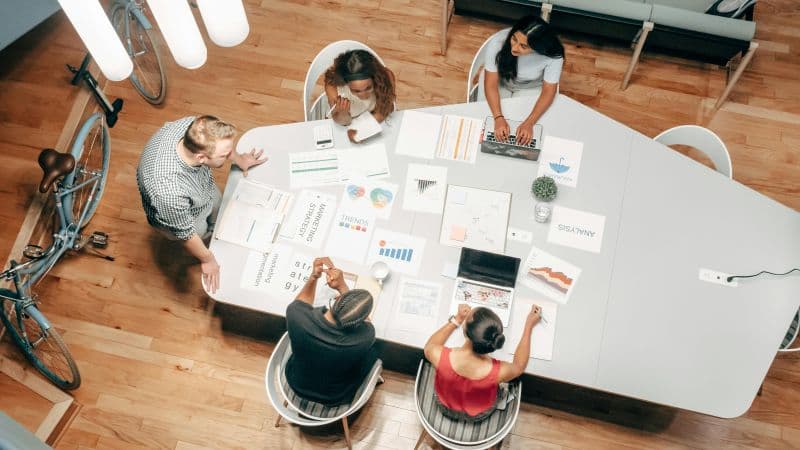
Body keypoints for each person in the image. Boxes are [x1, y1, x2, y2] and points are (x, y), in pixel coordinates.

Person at [136, 115, 266, 293]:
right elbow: (186, 234)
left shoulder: (196, 127)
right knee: (201, 233)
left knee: (218, 212)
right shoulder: (168, 192)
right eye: (224, 155)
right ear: (201, 158)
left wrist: (240, 160)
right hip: (181, 217)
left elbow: (224, 144)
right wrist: (207, 259)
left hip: (202, 187)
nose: (229, 155)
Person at [423, 303, 542, 420]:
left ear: (465, 331)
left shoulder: (440, 356)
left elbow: (430, 345)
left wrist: (457, 319)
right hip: (479, 413)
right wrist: (528, 326)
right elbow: (519, 366)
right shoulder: (499, 372)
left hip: (445, 406)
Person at [285, 257, 377, 405]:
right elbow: (367, 323)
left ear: (336, 299)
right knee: (373, 353)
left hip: (296, 383)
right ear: (359, 323)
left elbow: (301, 302)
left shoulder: (297, 316)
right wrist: (343, 287)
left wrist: (314, 276)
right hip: (333, 396)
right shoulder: (365, 337)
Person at [483, 15, 565, 146]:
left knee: (530, 130)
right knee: (486, 122)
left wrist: (529, 122)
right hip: (500, 82)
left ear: (538, 48)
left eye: (523, 46)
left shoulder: (553, 55)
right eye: (514, 39)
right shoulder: (498, 42)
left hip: (530, 87)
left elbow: (549, 91)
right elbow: (490, 84)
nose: (514, 48)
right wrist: (498, 117)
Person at [324, 49, 396, 133]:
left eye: (368, 88)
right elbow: (343, 123)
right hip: (343, 124)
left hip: (371, 119)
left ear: (374, 78)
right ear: (346, 83)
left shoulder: (386, 76)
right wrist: (343, 114)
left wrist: (361, 131)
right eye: (356, 91)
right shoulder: (333, 87)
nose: (364, 96)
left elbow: (384, 110)